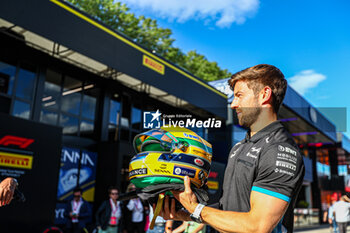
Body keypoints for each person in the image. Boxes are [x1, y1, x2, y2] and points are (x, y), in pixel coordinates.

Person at [161, 64, 305, 233]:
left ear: (264, 95)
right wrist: (184, 212)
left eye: (239, 96)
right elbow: (229, 209)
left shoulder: (279, 150)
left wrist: (196, 209)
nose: (233, 104)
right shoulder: (239, 147)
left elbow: (257, 226)